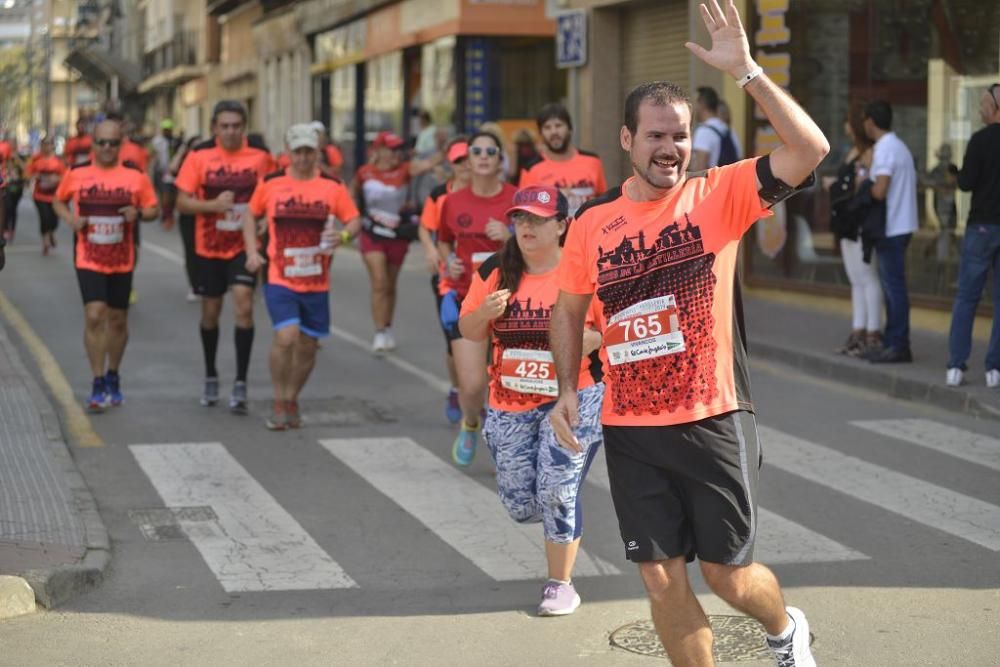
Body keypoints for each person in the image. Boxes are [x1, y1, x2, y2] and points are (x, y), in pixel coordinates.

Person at [549, 2, 828, 665]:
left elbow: (809, 150)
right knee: (658, 575)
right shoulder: (592, 223)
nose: (670, 148)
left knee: (726, 577)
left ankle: (785, 629)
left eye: (679, 135)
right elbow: (567, 309)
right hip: (630, 426)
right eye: (654, 136)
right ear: (626, 140)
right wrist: (565, 387)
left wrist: (749, 72)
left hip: (712, 417)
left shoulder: (720, 194)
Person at [459, 184, 604, 616]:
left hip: (575, 395)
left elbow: (611, 330)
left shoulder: (584, 271)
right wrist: (484, 313)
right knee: (523, 503)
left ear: (562, 225)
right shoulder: (495, 269)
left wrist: (588, 340)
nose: (527, 227)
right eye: (521, 219)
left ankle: (560, 584)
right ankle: (558, 522)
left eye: (538, 220)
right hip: (510, 402)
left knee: (558, 490)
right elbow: (469, 331)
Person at [244, 123, 361, 429]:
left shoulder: (332, 186)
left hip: (316, 280)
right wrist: (251, 252)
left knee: (308, 345)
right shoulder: (270, 184)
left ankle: (291, 397)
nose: (303, 158)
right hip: (279, 276)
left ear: (317, 153)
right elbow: (249, 214)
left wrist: (344, 237)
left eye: (309, 152)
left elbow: (354, 220)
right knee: (286, 337)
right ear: (288, 153)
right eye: (298, 152)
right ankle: (279, 398)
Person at [51, 118, 159, 411]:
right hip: (88, 255)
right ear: (93, 144)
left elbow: (153, 209)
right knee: (95, 314)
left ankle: (114, 374)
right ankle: (97, 380)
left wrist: (138, 213)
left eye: (114, 143)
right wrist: (72, 219)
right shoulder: (76, 173)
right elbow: (58, 201)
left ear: (121, 144)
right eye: (102, 142)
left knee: (118, 320)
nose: (108, 148)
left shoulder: (135, 177)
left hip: (122, 258)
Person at [176, 100, 275, 413]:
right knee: (211, 313)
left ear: (244, 127)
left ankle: (241, 382)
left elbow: (275, 197)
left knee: (244, 305)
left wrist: (264, 220)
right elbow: (182, 202)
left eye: (236, 126)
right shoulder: (199, 158)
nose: (231, 132)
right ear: (214, 129)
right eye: (225, 126)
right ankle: (210, 374)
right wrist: (211, 206)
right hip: (208, 247)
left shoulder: (260, 159)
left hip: (244, 247)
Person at [437, 130, 518, 465]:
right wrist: (448, 261)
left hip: (511, 300)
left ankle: (509, 440)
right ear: (467, 161)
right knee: (471, 386)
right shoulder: (453, 201)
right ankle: (471, 423)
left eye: (490, 151)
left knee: (510, 382)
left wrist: (510, 235)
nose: (483, 156)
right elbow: (443, 240)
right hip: (465, 298)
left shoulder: (517, 198)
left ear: (499, 160)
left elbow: (542, 243)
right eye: (477, 151)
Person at [946, 83, 1000, 389]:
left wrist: (956, 172)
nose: (980, 109)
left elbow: (965, 184)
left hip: (981, 227)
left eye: (983, 104)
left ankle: (956, 366)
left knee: (967, 296)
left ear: (995, 108)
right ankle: (995, 370)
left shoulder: (979, 141)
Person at [352, 131, 421, 353]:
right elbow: (351, 197)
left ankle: (387, 326)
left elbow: (431, 164)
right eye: (391, 149)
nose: (395, 154)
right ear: (378, 150)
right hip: (372, 234)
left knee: (390, 285)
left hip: (398, 235)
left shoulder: (406, 169)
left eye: (398, 149)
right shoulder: (364, 173)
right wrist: (354, 220)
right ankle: (380, 331)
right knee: (380, 282)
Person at [418, 137, 471, 424]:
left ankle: (479, 398)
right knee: (454, 344)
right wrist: (429, 251)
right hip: (449, 281)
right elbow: (426, 228)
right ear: (451, 165)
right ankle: (456, 388)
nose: (464, 166)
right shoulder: (441, 195)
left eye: (468, 159)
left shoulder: (486, 195)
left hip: (482, 280)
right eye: (459, 161)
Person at [863, 100, 918, 363]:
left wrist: (865, 178)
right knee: (894, 286)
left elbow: (879, 190)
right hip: (902, 224)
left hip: (892, 226)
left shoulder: (884, 150)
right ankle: (893, 339)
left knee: (893, 288)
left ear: (871, 122)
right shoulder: (899, 146)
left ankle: (898, 343)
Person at [828, 112, 881, 357]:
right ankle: (858, 331)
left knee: (867, 276)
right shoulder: (852, 151)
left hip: (860, 221)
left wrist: (839, 185)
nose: (845, 124)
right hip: (847, 221)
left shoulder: (869, 152)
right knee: (856, 279)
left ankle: (873, 333)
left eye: (849, 120)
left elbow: (867, 186)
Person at [518, 103, 608, 216]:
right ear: (541, 133)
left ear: (569, 128)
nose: (554, 132)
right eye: (547, 127)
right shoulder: (530, 169)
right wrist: (555, 196)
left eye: (558, 125)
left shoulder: (592, 161)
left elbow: (604, 202)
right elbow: (525, 213)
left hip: (589, 231)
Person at [171, 135, 202, 302]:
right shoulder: (184, 164)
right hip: (188, 215)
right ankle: (194, 284)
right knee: (191, 251)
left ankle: (207, 282)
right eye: (194, 147)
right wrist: (182, 151)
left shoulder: (209, 163)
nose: (197, 151)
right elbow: (171, 169)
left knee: (205, 251)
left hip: (207, 214)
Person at [27, 137, 67, 255]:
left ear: (52, 146)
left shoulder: (58, 162)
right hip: (39, 196)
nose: (46, 147)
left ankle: (50, 233)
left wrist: (57, 178)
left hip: (55, 197)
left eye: (49, 144)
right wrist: (35, 176)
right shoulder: (36, 161)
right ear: (41, 146)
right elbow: (28, 175)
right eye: (44, 144)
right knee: (44, 218)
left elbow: (65, 178)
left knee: (54, 221)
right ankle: (45, 242)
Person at [922, 143, 959, 262]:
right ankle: (941, 256)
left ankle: (938, 251)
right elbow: (927, 182)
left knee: (950, 230)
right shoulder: (936, 170)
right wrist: (939, 187)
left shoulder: (952, 169)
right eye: (944, 156)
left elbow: (959, 183)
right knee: (945, 230)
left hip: (951, 204)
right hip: (940, 204)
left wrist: (950, 185)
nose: (945, 159)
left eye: (947, 156)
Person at [690, 86, 742, 170]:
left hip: (713, 182)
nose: (692, 107)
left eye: (694, 103)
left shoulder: (704, 131)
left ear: (702, 104)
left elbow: (699, 169)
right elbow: (739, 159)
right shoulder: (729, 130)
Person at [152, 119, 179, 228]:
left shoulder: (175, 141)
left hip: (173, 171)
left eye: (169, 129)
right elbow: (152, 154)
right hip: (161, 171)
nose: (167, 131)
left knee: (172, 195)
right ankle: (165, 214)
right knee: (164, 194)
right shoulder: (157, 141)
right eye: (165, 129)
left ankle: (169, 213)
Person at [2, 139, 26, 243]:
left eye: (13, 144)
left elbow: (26, 168)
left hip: (17, 187)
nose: (11, 146)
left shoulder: (21, 156)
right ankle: (6, 228)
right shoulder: (5, 157)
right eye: (9, 144)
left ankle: (12, 229)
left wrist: (16, 158)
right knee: (7, 207)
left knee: (13, 209)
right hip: (7, 186)